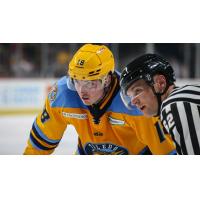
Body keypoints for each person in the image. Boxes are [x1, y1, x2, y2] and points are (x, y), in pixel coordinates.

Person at [24, 44, 176, 155]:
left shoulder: (136, 102)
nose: (82, 91)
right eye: (76, 81)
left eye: (91, 83)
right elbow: (38, 147)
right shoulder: (62, 95)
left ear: (107, 80)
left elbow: (167, 153)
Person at [120, 53, 200, 155]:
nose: (133, 101)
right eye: (130, 96)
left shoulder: (174, 106)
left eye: (137, 91)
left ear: (161, 83)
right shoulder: (185, 96)